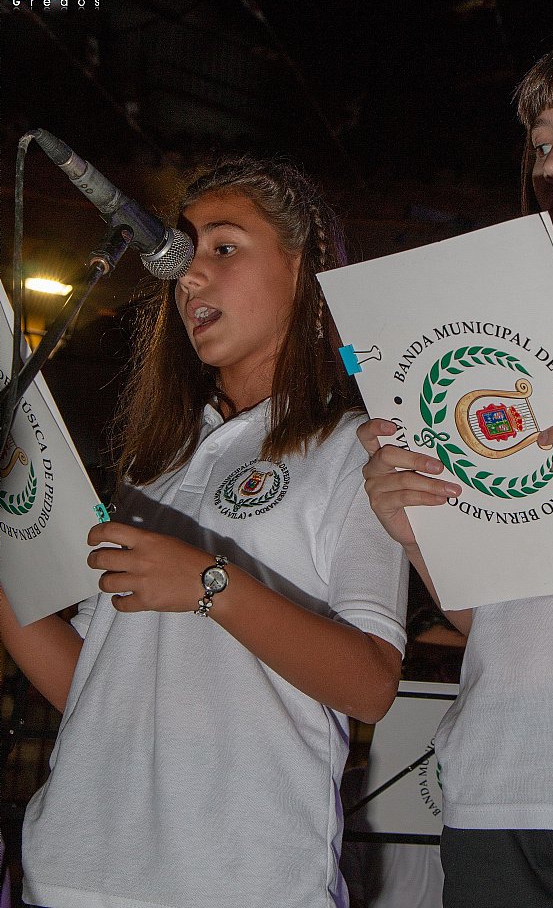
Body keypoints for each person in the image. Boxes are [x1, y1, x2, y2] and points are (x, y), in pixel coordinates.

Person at [0, 154, 408, 908]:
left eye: (223, 247)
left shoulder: (357, 448)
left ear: (304, 269)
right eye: (184, 255)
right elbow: (89, 685)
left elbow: (372, 685)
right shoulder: (155, 467)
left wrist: (211, 587)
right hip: (71, 874)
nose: (188, 277)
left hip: (240, 881)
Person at [357, 21, 553, 907]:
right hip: (496, 785)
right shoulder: (526, 355)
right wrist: (419, 528)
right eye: (541, 142)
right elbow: (497, 621)